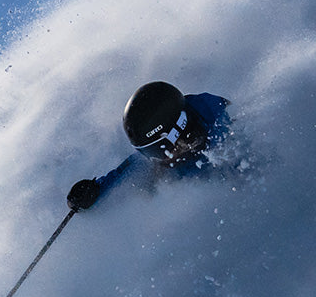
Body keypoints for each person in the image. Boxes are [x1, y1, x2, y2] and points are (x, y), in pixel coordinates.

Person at [66, 81, 231, 212]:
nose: (158, 159)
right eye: (150, 152)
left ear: (179, 134)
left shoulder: (223, 137)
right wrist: (97, 189)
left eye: (161, 151)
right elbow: (130, 168)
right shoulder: (170, 147)